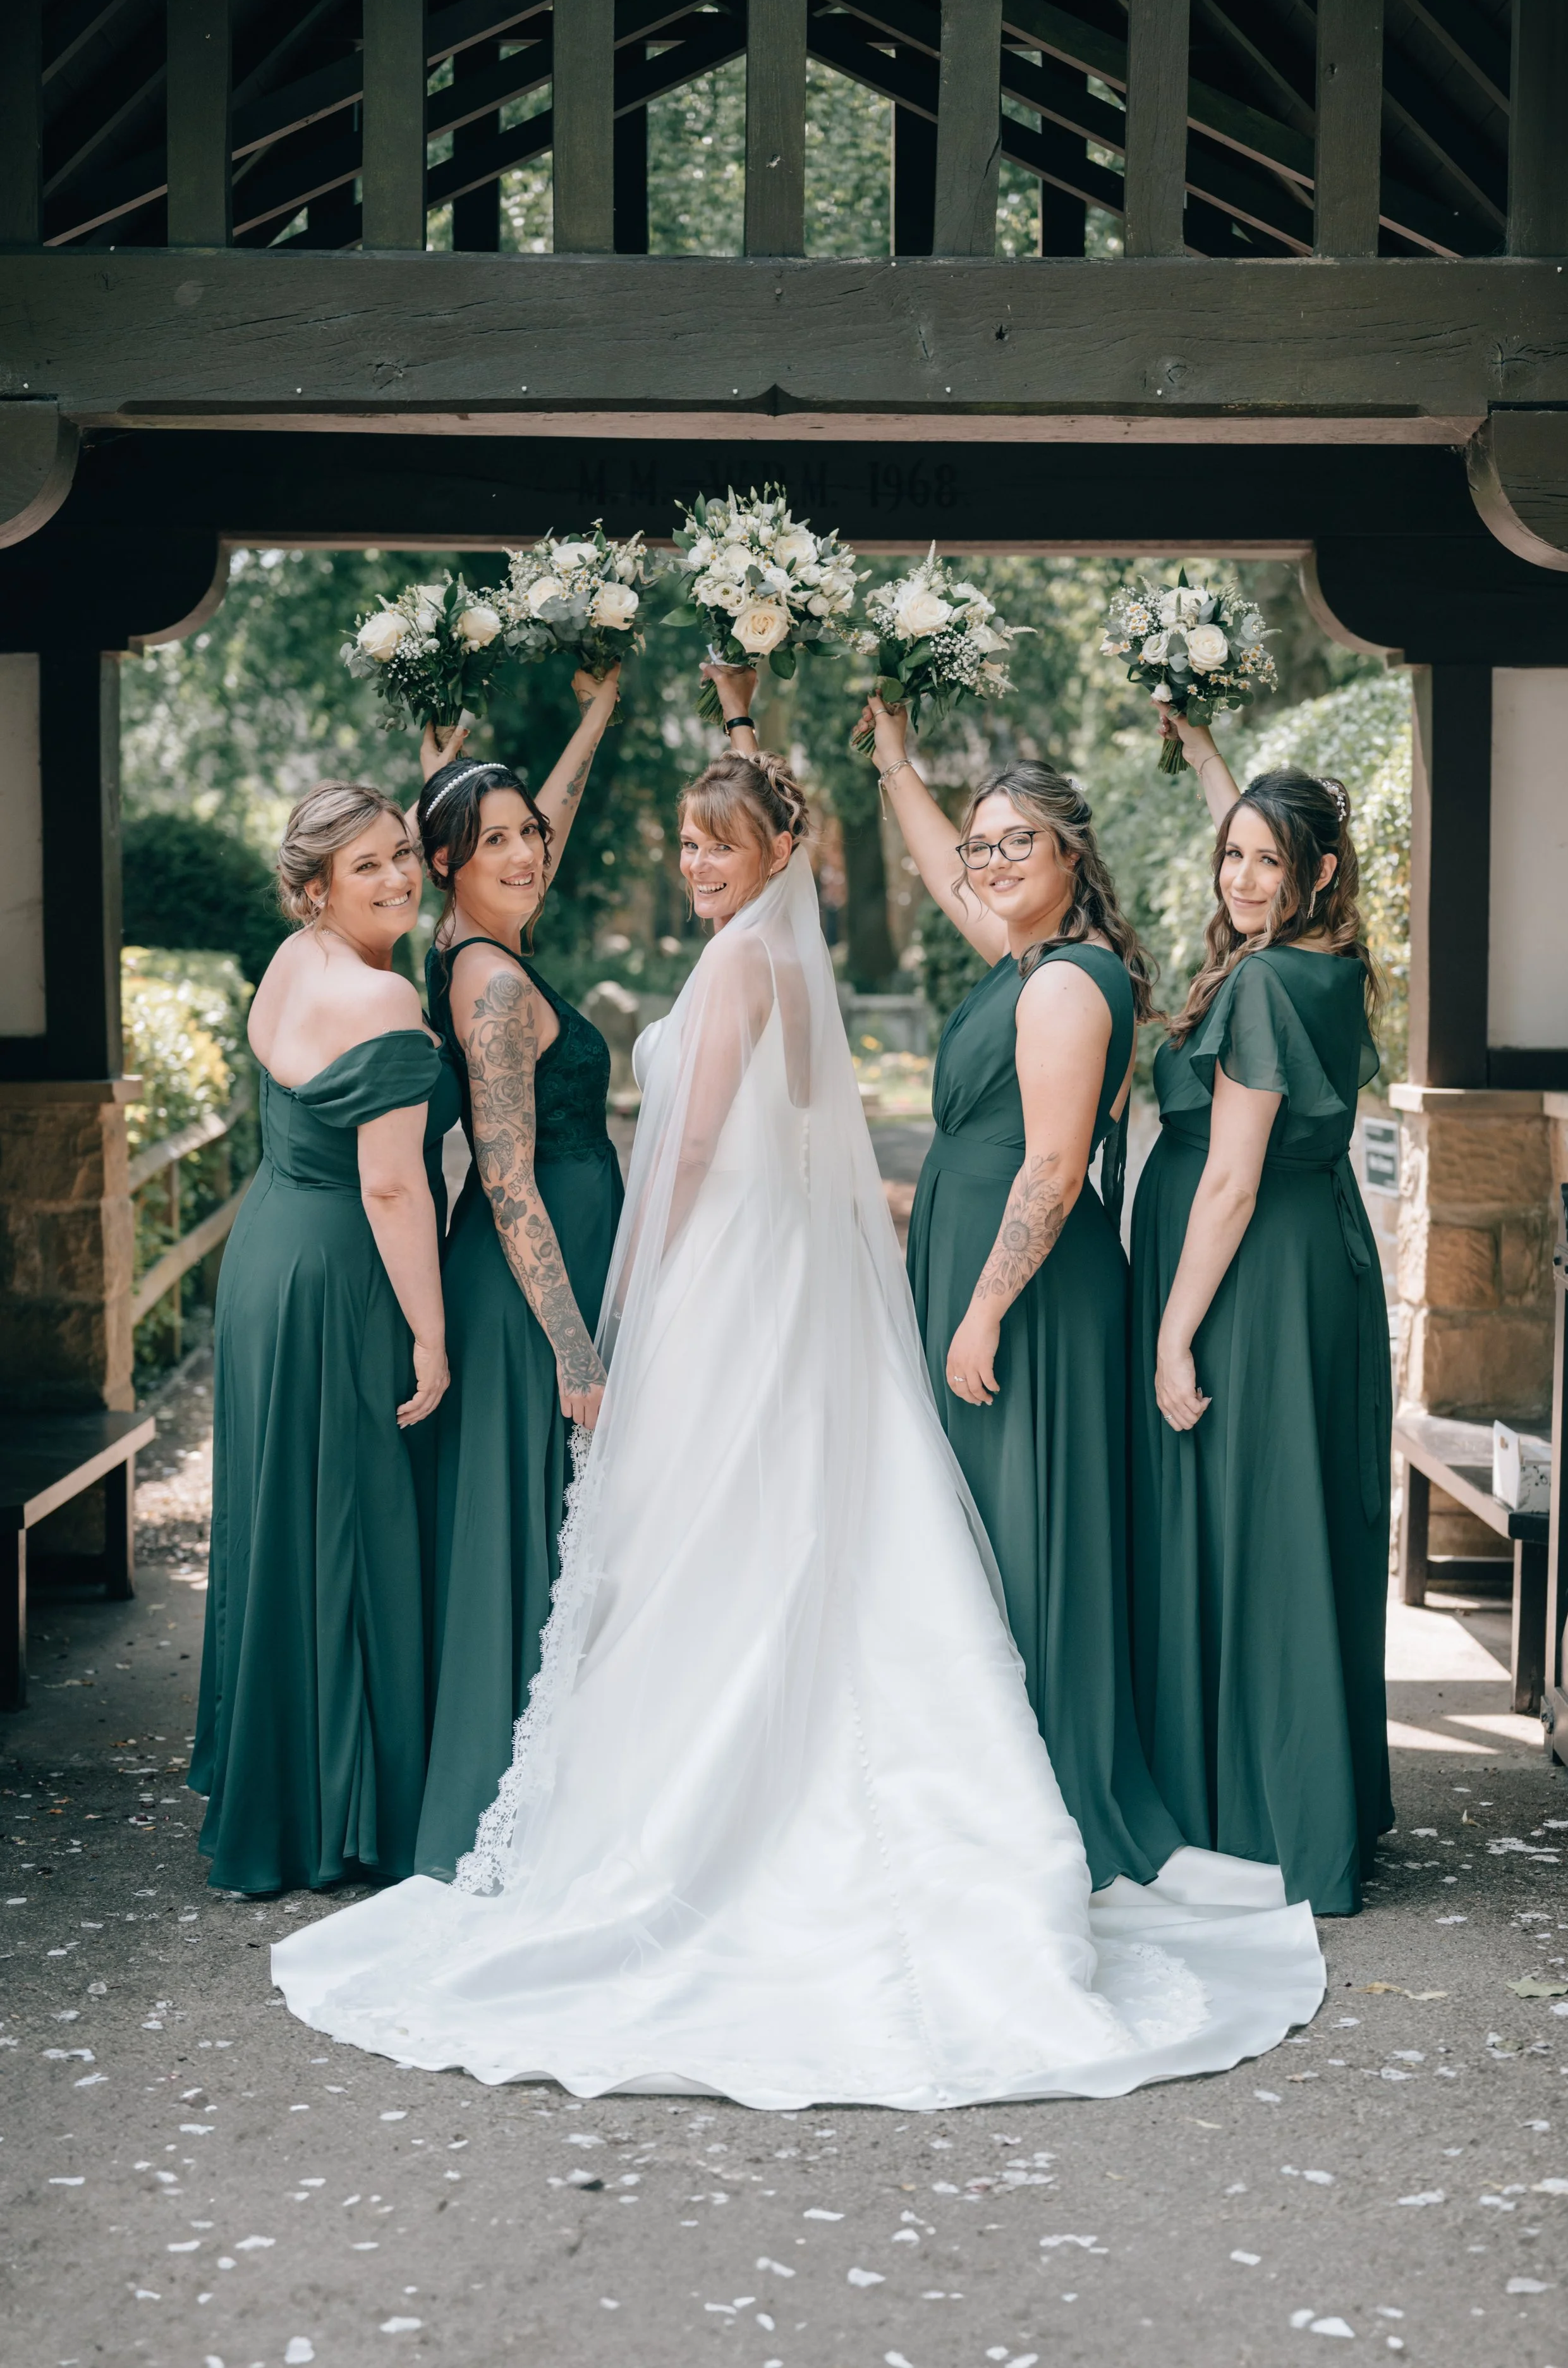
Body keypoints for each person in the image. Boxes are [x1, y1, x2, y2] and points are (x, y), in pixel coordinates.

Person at [271, 670, 1323, 2109]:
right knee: (776, 1526)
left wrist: (628, 1306)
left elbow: (689, 1158)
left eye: (722, 845)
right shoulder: (766, 956)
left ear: (771, 860)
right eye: (688, 844)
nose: (699, 861)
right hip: (777, 1264)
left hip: (723, 1269)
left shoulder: (747, 968)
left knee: (715, 1536)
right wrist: (754, 739)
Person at [860, 699, 1182, 1889]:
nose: (990, 861)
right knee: (981, 1535)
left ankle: (1039, 1796)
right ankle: (988, 1779)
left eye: (1016, 843)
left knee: (1021, 1535)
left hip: (1031, 1290)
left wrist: (984, 1307)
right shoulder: (1027, 958)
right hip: (985, 1262)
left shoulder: (1061, 987)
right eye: (981, 843)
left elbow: (1051, 1170)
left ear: (1070, 857)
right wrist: (896, 758)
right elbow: (945, 871)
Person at [1130, 713, 1392, 1917]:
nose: (1240, 878)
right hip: (1319, 1265)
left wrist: (1176, 1331)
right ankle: (1315, 1802)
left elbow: (1229, 1180)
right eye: (1229, 857)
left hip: (1247, 1278)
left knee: (1254, 1527)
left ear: (1317, 874)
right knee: (1301, 1516)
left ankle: (1265, 1818)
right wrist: (1214, 776)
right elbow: (1274, 863)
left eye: (1265, 863)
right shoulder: (1328, 968)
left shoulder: (1267, 985)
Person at [191, 783, 458, 1896]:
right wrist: (433, 1337)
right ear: (315, 888)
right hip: (346, 1271)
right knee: (351, 1520)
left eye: (403, 855)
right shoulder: (385, 1000)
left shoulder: (293, 962)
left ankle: (279, 1788)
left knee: (282, 1514)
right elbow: (394, 1188)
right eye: (369, 869)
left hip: (265, 1258)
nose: (400, 879)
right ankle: (341, 1816)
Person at [407, 669, 624, 1879]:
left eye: (529, 836)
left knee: (558, 1534)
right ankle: (510, 1811)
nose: (527, 850)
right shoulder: (490, 982)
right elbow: (505, 1177)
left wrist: (590, 713)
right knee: (538, 1534)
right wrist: (576, 1349)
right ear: (450, 862)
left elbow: (537, 819)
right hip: (529, 1295)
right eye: (495, 842)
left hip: (554, 1272)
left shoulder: (483, 933)